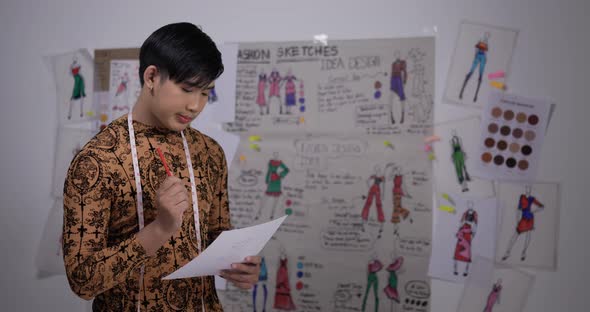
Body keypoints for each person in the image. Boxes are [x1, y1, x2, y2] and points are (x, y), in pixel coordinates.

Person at [62, 22, 261, 312]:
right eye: (187, 89)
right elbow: (83, 281)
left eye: (205, 92)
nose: (195, 105)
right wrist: (161, 228)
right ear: (152, 77)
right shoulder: (97, 160)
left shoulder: (209, 152)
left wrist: (238, 265)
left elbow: (218, 236)